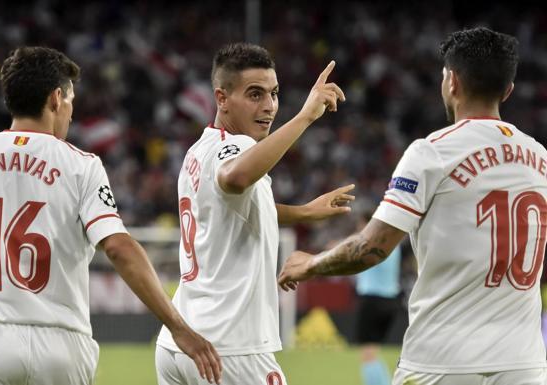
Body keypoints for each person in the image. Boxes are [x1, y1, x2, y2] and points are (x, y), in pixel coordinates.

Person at [0, 46, 221, 385]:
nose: (70, 114)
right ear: (55, 99)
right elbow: (119, 248)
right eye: (70, 102)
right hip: (62, 347)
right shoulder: (81, 165)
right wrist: (178, 327)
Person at [278, 27, 547, 385]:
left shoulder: (433, 151)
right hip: (524, 366)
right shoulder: (540, 157)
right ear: (508, 90)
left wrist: (309, 264)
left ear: (451, 82)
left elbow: (370, 248)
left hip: (442, 362)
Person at [155, 42, 353, 385]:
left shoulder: (198, 151)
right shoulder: (238, 148)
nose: (269, 106)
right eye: (255, 94)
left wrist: (304, 212)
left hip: (178, 344)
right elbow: (236, 178)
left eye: (274, 94)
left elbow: (235, 207)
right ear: (221, 99)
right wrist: (306, 116)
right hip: (229, 348)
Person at [352, 212, 402, 385]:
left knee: (367, 353)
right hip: (391, 302)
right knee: (374, 351)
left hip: (372, 300)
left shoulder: (370, 243)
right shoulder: (394, 244)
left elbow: (349, 253)